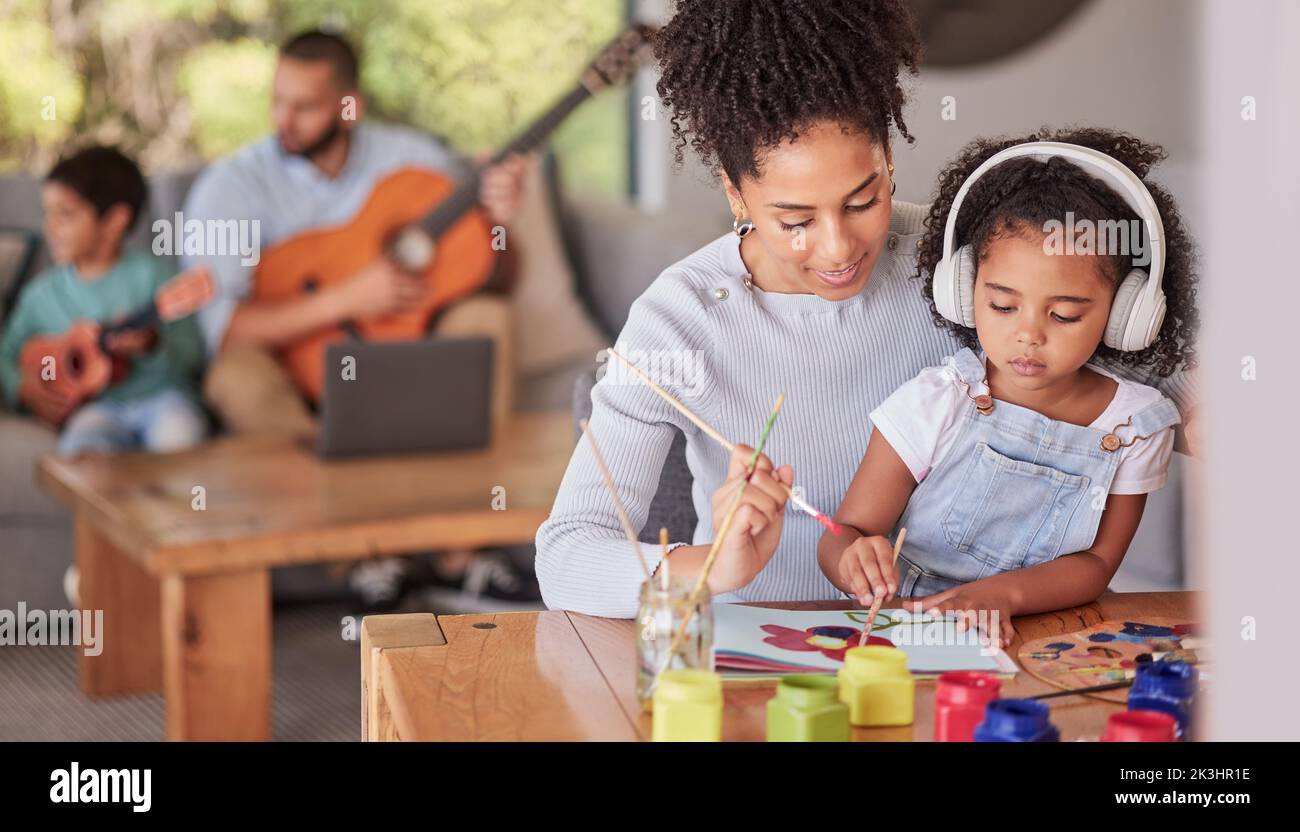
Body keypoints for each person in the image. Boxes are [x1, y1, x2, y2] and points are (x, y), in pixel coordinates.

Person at [535, 0, 1198, 618]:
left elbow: (1134, 349)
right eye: (793, 219)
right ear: (735, 194)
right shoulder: (676, 321)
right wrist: (707, 567)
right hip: (764, 658)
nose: (839, 248)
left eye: (863, 200)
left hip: (946, 640)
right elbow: (566, 555)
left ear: (887, 157)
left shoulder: (956, 263)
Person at [182, 30, 535, 609]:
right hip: (294, 375)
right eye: (277, 101)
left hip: (400, 355)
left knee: (489, 319)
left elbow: (491, 275)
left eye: (305, 106)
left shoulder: (413, 160)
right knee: (234, 376)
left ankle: (461, 552)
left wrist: (500, 224)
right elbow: (224, 330)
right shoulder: (230, 188)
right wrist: (345, 300)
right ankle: (364, 561)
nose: (284, 121)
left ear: (350, 107)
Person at [820, 129, 1197, 647]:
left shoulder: (1134, 424)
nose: (1028, 334)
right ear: (964, 289)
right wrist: (850, 557)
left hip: (1041, 638)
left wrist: (1003, 595)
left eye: (1064, 314)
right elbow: (846, 532)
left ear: (1125, 315)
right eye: (1002, 305)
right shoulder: (940, 399)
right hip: (903, 634)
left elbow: (1096, 563)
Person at [0, 146, 207, 456]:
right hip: (97, 409)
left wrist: (151, 344)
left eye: (65, 215)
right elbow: (6, 354)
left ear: (114, 221)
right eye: (48, 214)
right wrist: (22, 387)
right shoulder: (41, 294)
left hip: (161, 398)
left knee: (179, 437)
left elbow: (193, 354)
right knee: (82, 452)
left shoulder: (154, 277)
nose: (49, 227)